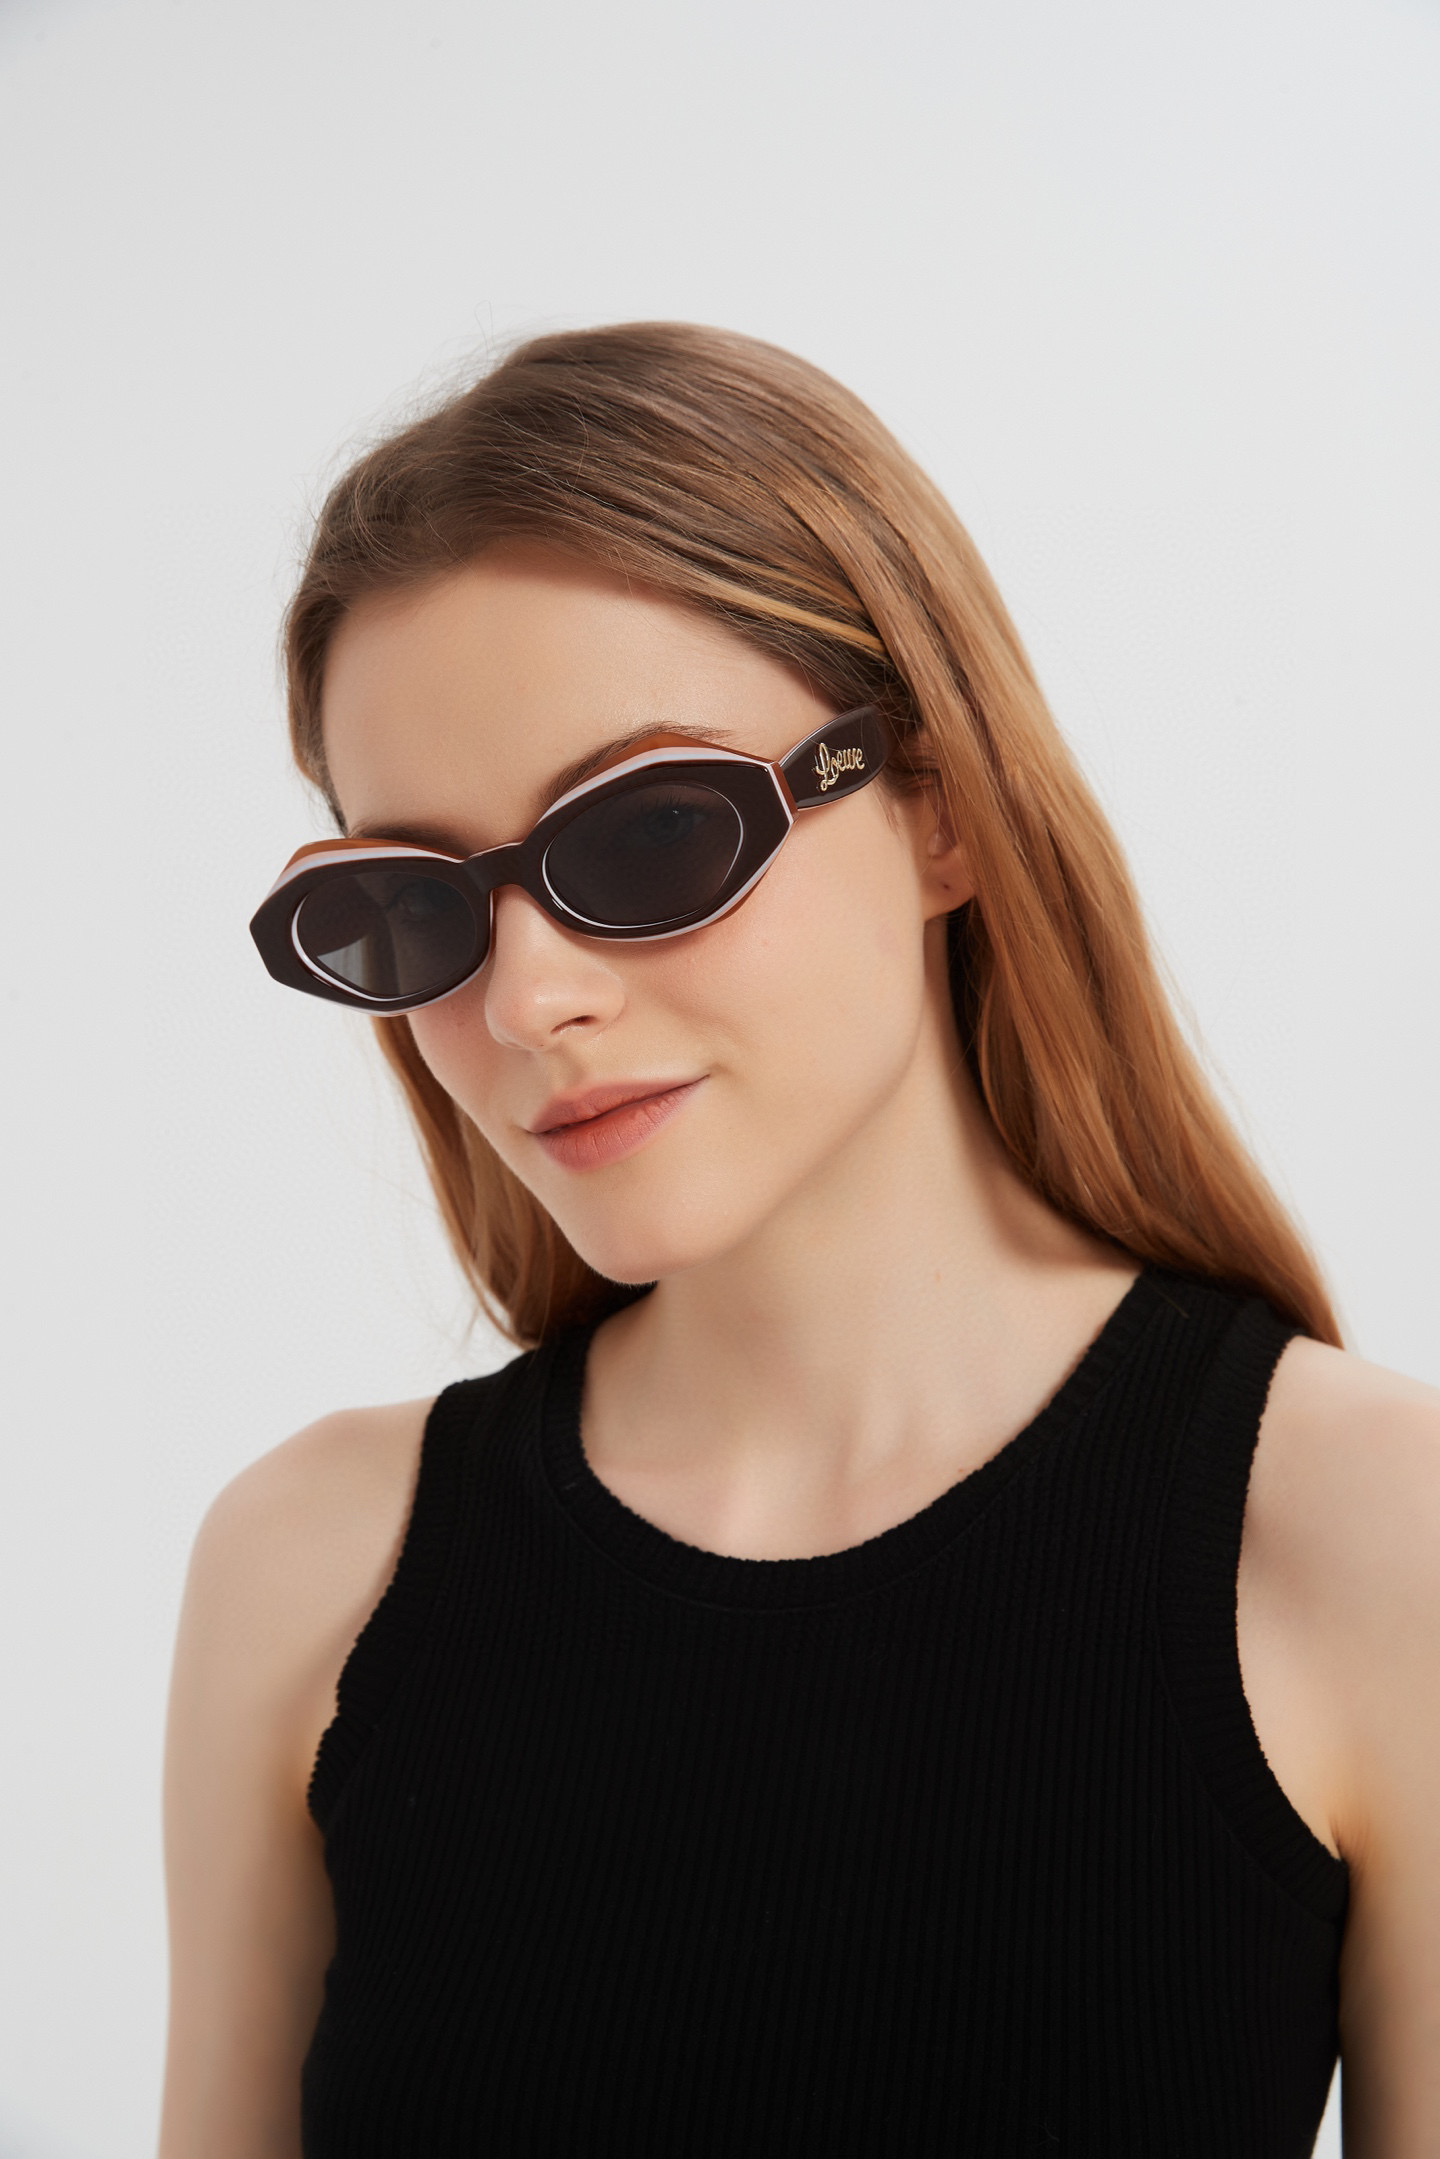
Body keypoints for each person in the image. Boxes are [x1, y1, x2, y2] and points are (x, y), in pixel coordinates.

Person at [159, 324, 1440, 2157]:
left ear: (939, 806)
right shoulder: (309, 1568)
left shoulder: (1376, 1536)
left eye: (651, 833)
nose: (526, 1001)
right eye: (418, 906)